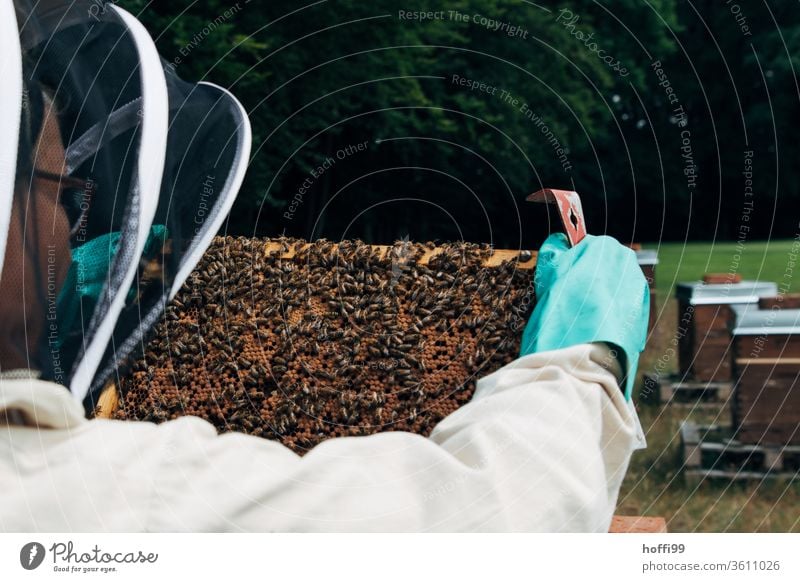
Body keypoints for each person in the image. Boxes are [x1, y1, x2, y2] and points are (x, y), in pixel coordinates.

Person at [0, 0, 649, 532]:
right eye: (60, 193)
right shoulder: (79, 497)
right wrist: (580, 359)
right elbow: (496, 520)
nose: (70, 226)